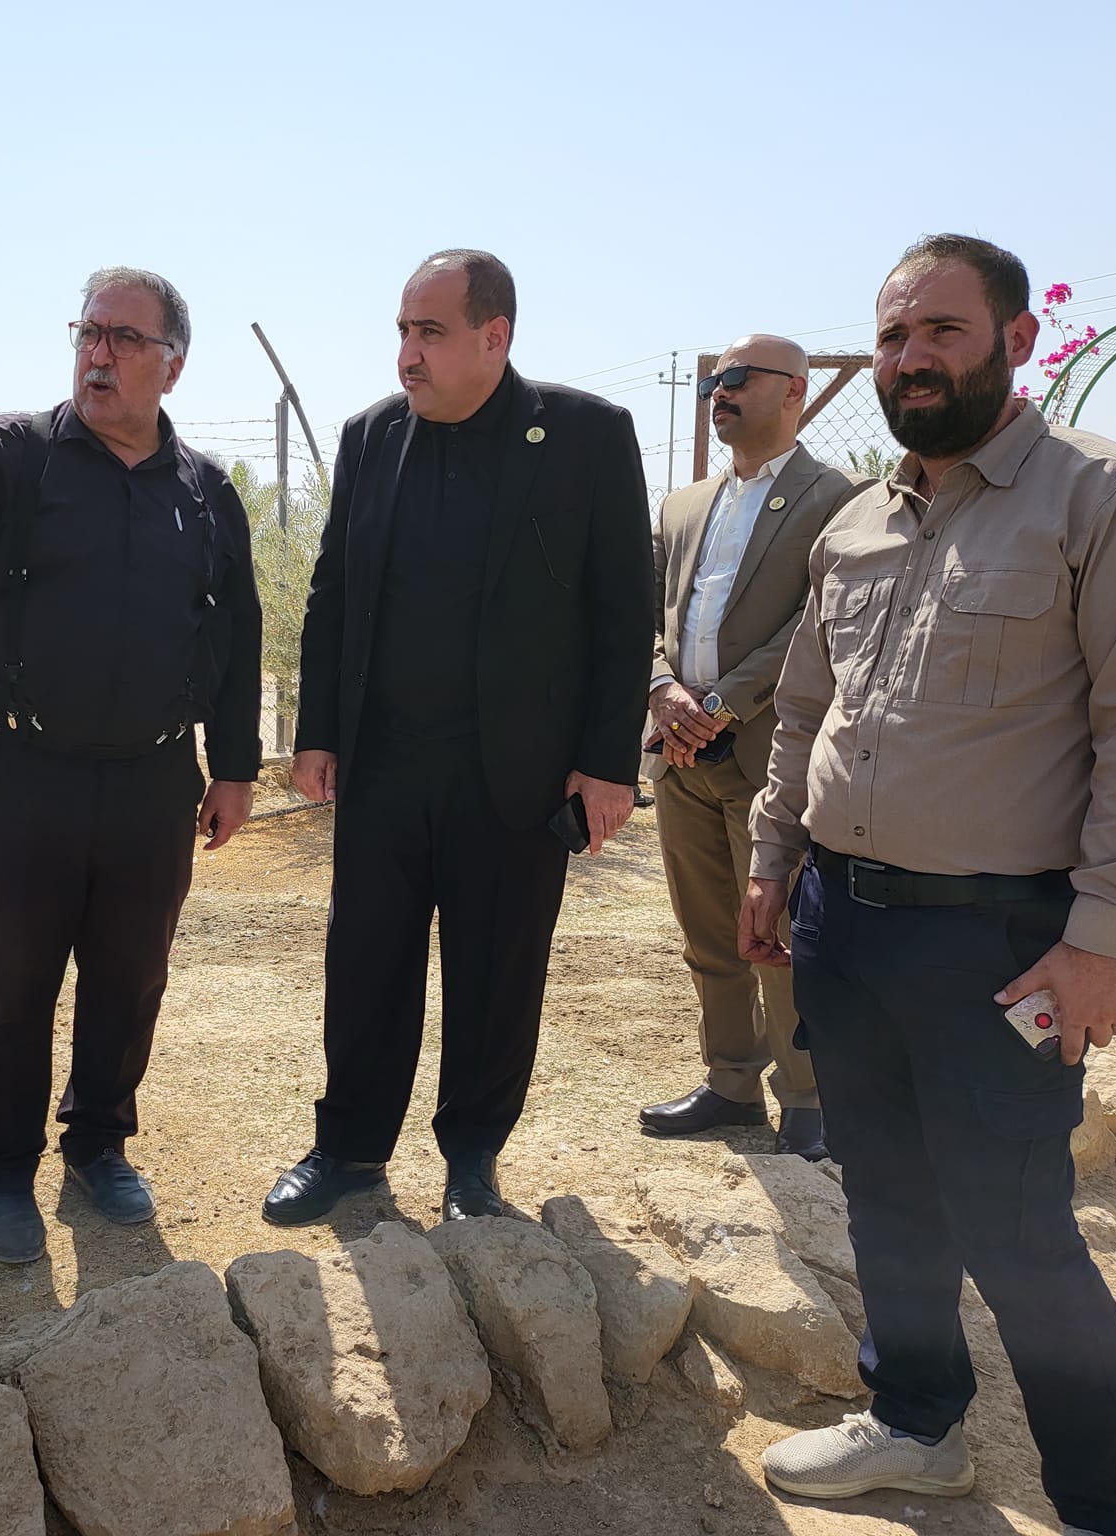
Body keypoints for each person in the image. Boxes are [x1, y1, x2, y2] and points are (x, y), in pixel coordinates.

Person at [742, 234, 1116, 1536]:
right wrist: (774, 862)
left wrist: (1106, 937)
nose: (912, 358)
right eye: (892, 337)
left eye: (941, 331)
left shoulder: (1112, 498)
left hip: (1005, 945)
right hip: (845, 928)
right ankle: (915, 1425)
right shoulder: (853, 526)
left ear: (1015, 340)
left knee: (1017, 1230)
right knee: (884, 1193)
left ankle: (1102, 1506)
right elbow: (803, 713)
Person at [0, 268, 262, 1264]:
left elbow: (235, 634)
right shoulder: (16, 453)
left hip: (152, 781)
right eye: (88, 331)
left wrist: (235, 767)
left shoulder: (206, 494)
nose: (98, 353)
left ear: (172, 364)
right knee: (10, 977)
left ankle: (99, 1144)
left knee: (130, 976)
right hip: (20, 770)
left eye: (124, 337)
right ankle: (0, 1171)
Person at [263, 249, 653, 1226]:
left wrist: (607, 764)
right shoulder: (371, 436)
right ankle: (348, 1150)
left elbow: (622, 609)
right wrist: (316, 732)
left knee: (495, 973)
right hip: (385, 767)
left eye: (428, 332)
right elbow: (333, 592)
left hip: (515, 774)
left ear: (494, 336)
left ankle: (472, 1159)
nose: (407, 353)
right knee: (365, 965)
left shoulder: (583, 434)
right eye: (402, 330)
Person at [638, 334, 862, 1160]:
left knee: (780, 934)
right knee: (707, 935)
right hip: (679, 754)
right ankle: (731, 1083)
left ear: (794, 390)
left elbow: (816, 621)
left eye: (737, 379)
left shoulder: (838, 498)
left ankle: (807, 1098)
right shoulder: (682, 507)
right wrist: (663, 689)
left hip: (771, 755)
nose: (719, 393)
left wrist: (723, 703)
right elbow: (646, 614)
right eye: (714, 383)